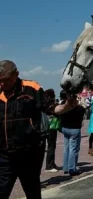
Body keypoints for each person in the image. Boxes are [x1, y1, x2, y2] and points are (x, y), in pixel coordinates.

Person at [0, 60, 46, 198]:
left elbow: (50, 107)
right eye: (0, 81)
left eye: (6, 80)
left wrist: (67, 105)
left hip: (29, 154)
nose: (2, 84)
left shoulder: (31, 88)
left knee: (32, 192)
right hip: (4, 155)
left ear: (16, 75)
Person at [55, 90, 85, 176]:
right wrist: (79, 102)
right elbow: (82, 110)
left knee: (66, 148)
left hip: (65, 128)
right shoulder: (77, 108)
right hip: (74, 129)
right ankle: (72, 168)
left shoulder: (63, 106)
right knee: (73, 149)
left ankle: (66, 167)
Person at [44, 88, 60, 172]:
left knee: (51, 145)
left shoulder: (44, 103)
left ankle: (52, 163)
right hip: (52, 126)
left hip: (46, 127)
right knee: (51, 146)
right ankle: (49, 165)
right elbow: (55, 113)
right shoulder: (51, 104)